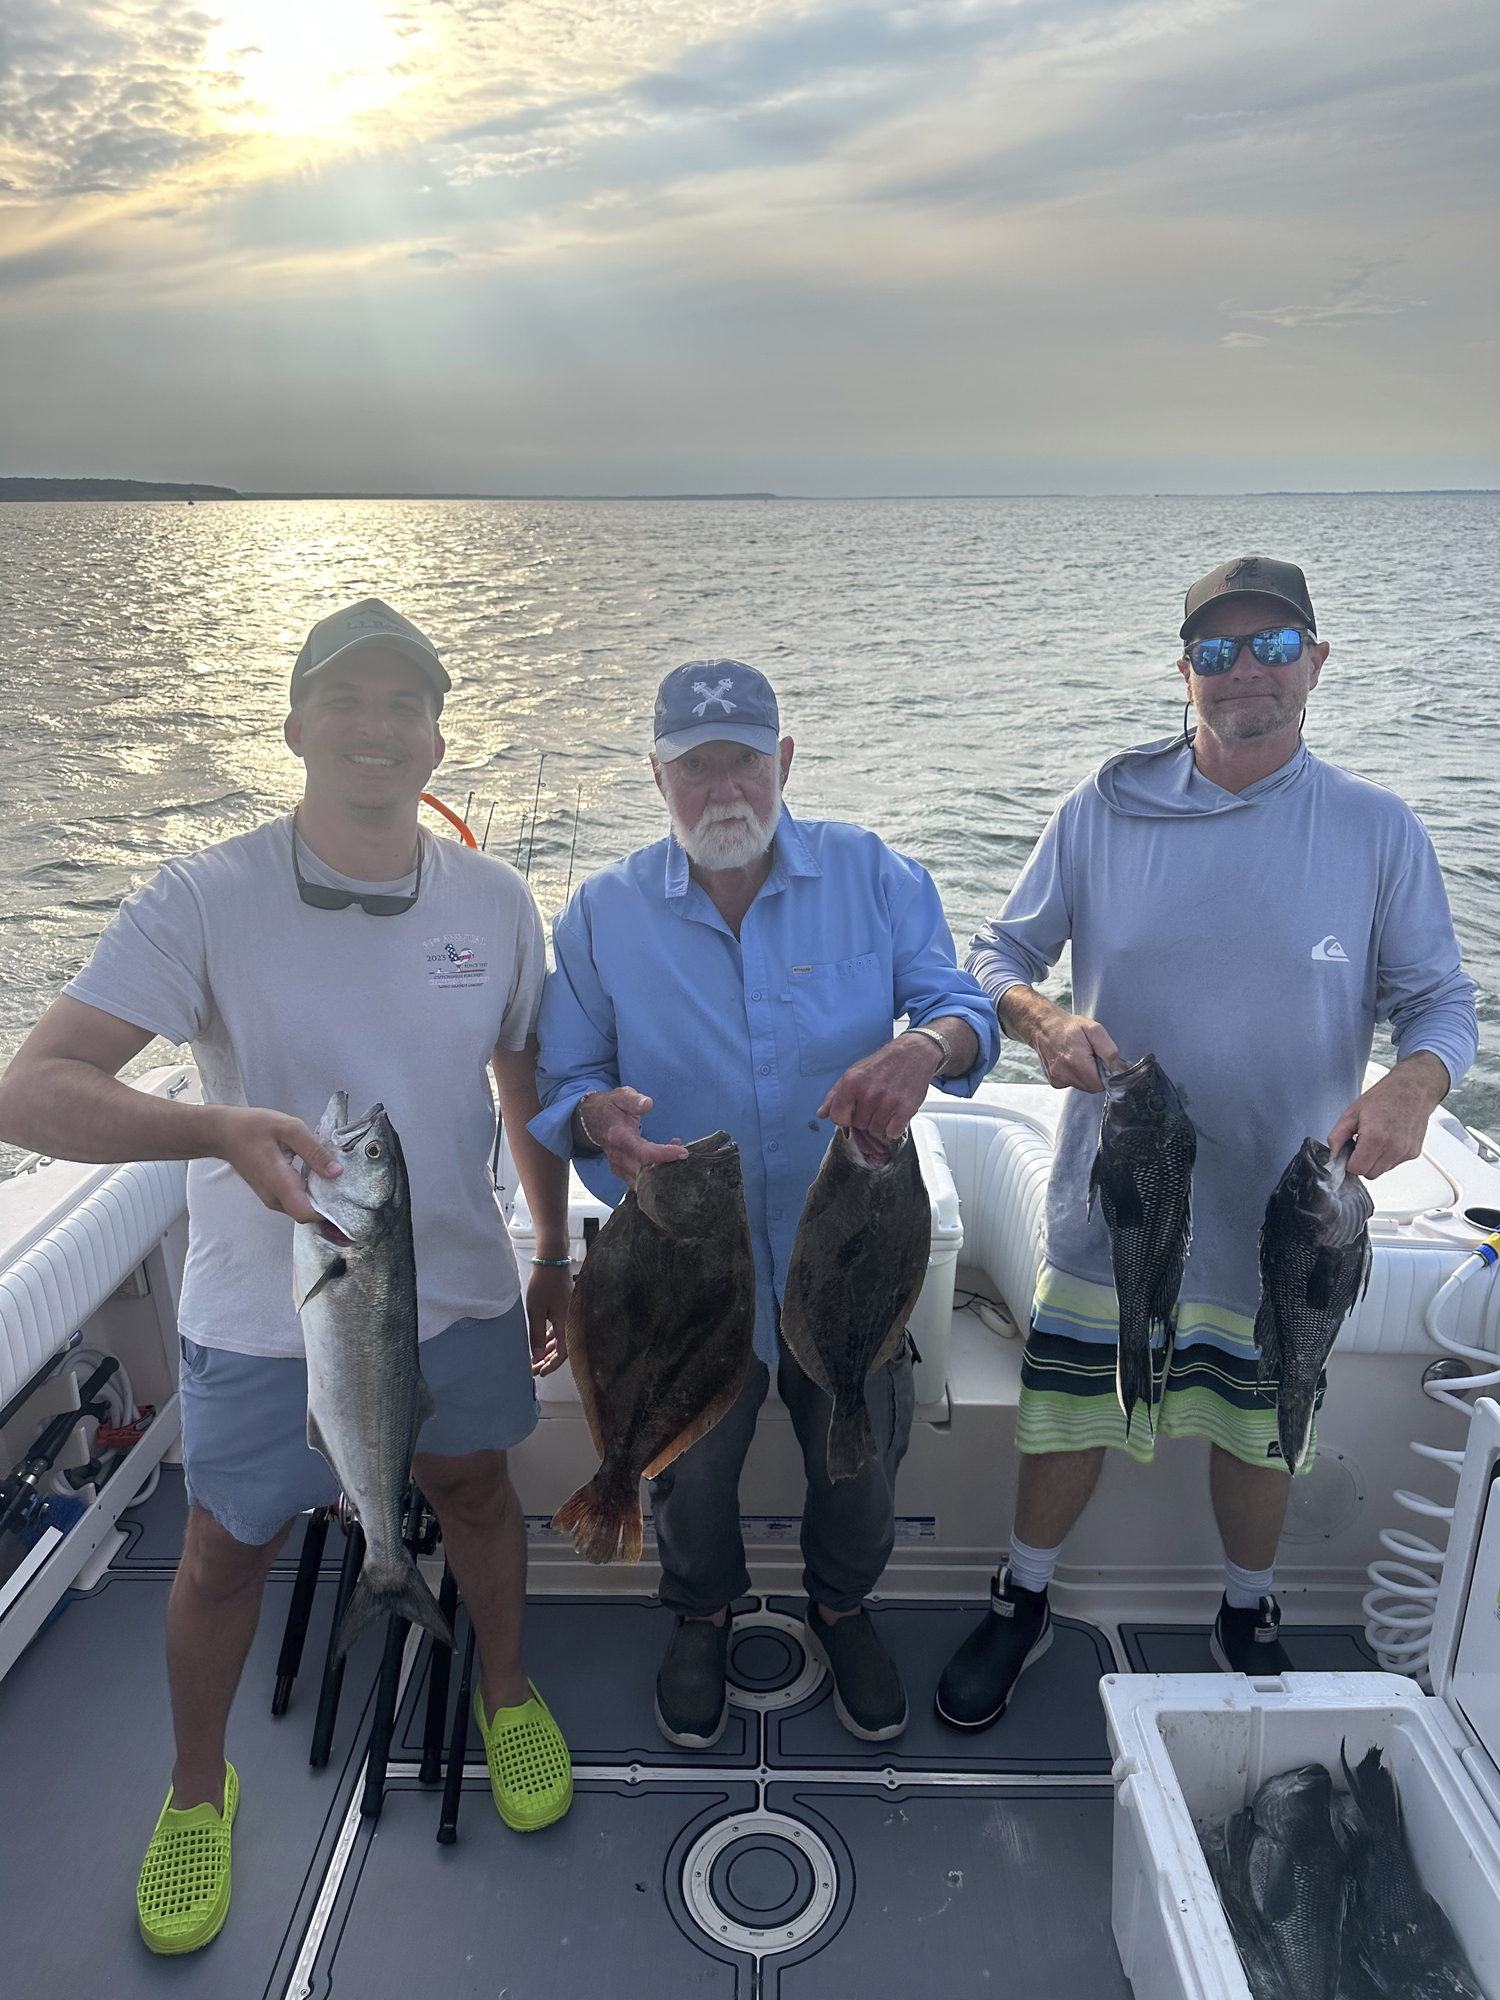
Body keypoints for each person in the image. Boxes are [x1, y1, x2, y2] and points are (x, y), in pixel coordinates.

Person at [0, 598, 576, 1955]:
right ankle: (199, 1790)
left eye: (406, 705)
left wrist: (554, 1247)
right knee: (220, 1548)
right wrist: (210, 1129)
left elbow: (523, 1076)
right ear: (294, 725)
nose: (378, 730)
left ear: (439, 733)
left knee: (481, 1490)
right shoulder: (204, 896)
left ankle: (503, 1687)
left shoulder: (494, 899)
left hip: (459, 1289)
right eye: (349, 700)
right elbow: (32, 1090)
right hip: (267, 1314)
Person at [935, 556, 1478, 1728]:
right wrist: (1041, 1020)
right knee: (1073, 1402)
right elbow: (990, 960)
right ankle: (1023, 1595)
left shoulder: (1379, 831)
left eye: (1275, 647)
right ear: (1182, 672)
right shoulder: (1103, 805)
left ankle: (1247, 1604)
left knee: (1263, 1416)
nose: (1248, 673)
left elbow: (1439, 1002)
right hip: (1120, 1192)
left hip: (1281, 1214)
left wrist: (1415, 1091)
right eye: (1219, 650)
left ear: (1317, 665)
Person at [530, 661, 1000, 1747]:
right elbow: (564, 1086)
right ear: (656, 777)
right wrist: (601, 1117)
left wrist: (924, 1047)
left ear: (784, 761)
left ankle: (842, 1604)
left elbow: (965, 1006)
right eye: (696, 765)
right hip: (685, 1279)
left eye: (744, 756)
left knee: (863, 1463)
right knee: (689, 1472)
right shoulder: (601, 914)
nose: (723, 786)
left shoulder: (874, 874)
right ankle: (701, 1609)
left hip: (853, 1256)